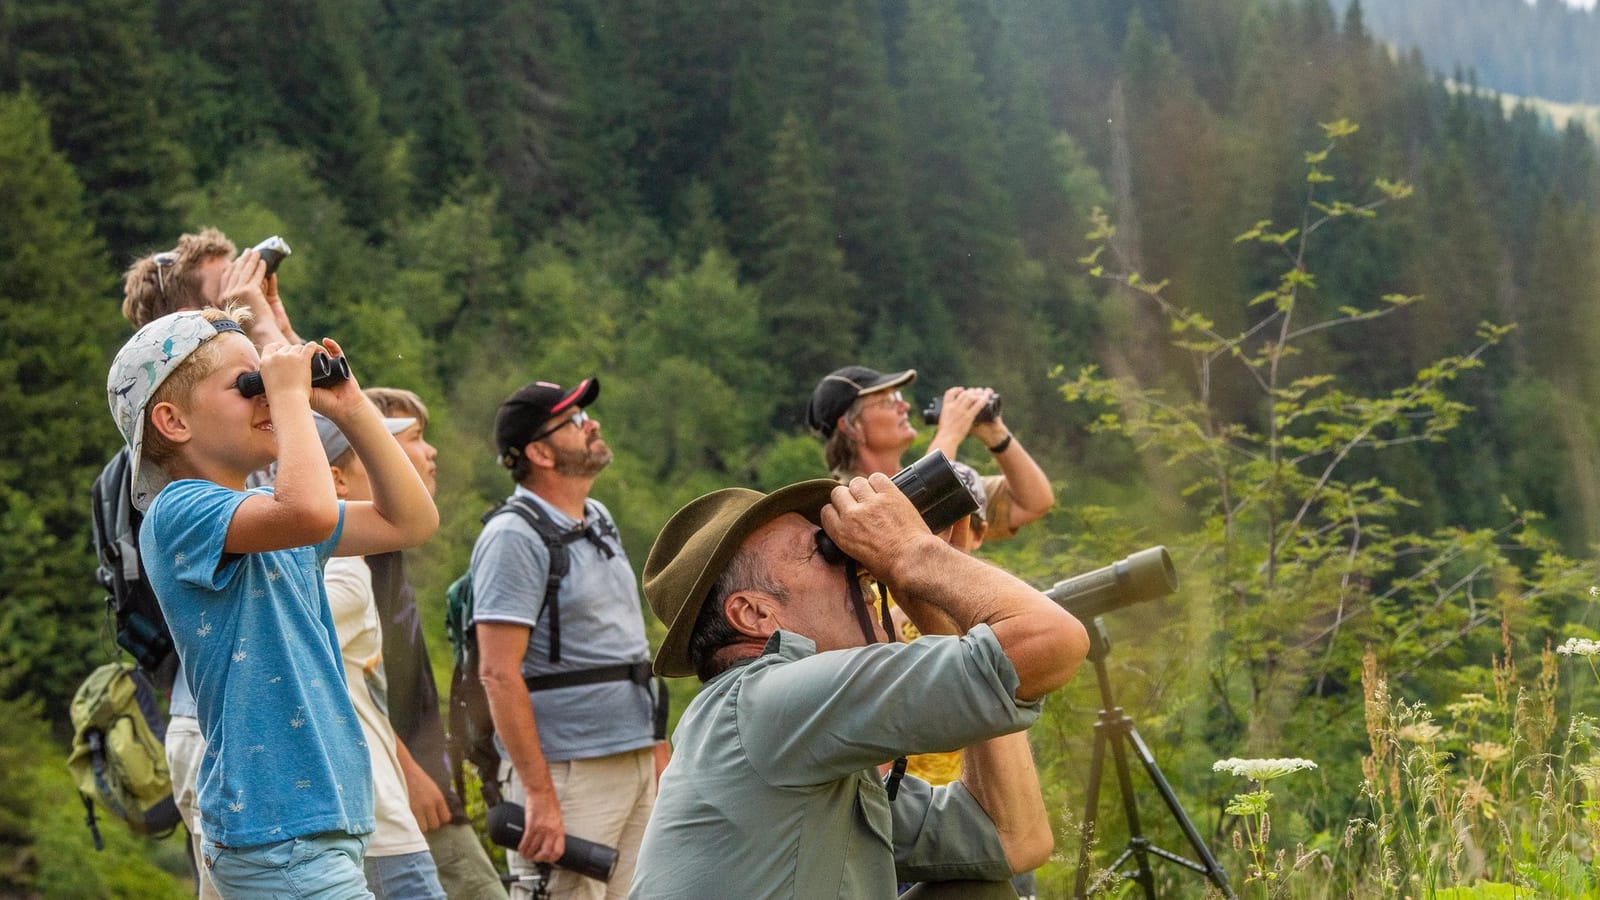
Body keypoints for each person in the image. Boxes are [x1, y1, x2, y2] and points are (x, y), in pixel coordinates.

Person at [630, 473, 1091, 898]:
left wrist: (928, 602)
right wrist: (912, 554)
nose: (860, 568)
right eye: (824, 550)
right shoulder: (767, 701)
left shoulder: (791, 741)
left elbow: (1014, 840)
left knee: (974, 892)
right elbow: (1054, 640)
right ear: (754, 614)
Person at [108, 305, 438, 895]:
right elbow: (308, 509)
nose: (266, 394)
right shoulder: (176, 514)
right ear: (172, 420)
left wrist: (351, 410)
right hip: (274, 830)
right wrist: (289, 398)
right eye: (248, 384)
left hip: (318, 821)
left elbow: (409, 521)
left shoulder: (274, 524)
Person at [117, 227, 302, 899]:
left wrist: (275, 327)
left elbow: (339, 457)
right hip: (224, 735)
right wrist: (277, 363)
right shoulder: (182, 482)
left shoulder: (238, 448)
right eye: (227, 296)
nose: (241, 306)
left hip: (272, 745)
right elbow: (311, 498)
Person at [472, 377, 668, 900]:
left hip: (630, 757)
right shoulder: (514, 536)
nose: (592, 424)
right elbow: (496, 671)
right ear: (539, 452)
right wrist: (538, 794)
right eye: (576, 420)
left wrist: (653, 743)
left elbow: (624, 646)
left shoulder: (597, 518)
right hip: (567, 771)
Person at [363, 387, 508, 898]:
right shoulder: (347, 559)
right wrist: (411, 773)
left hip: (420, 784)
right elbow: (341, 683)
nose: (432, 452)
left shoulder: (381, 548)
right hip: (401, 789)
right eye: (417, 438)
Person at [318, 411, 449, 899]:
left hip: (369, 814)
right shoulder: (344, 571)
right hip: (375, 820)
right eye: (375, 459)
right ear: (337, 480)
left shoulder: (345, 564)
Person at [805, 366, 1055, 542]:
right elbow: (910, 526)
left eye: (899, 396)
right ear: (850, 427)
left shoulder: (931, 485)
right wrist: (950, 433)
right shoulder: (844, 501)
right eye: (888, 401)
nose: (905, 407)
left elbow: (1033, 503)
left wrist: (997, 436)